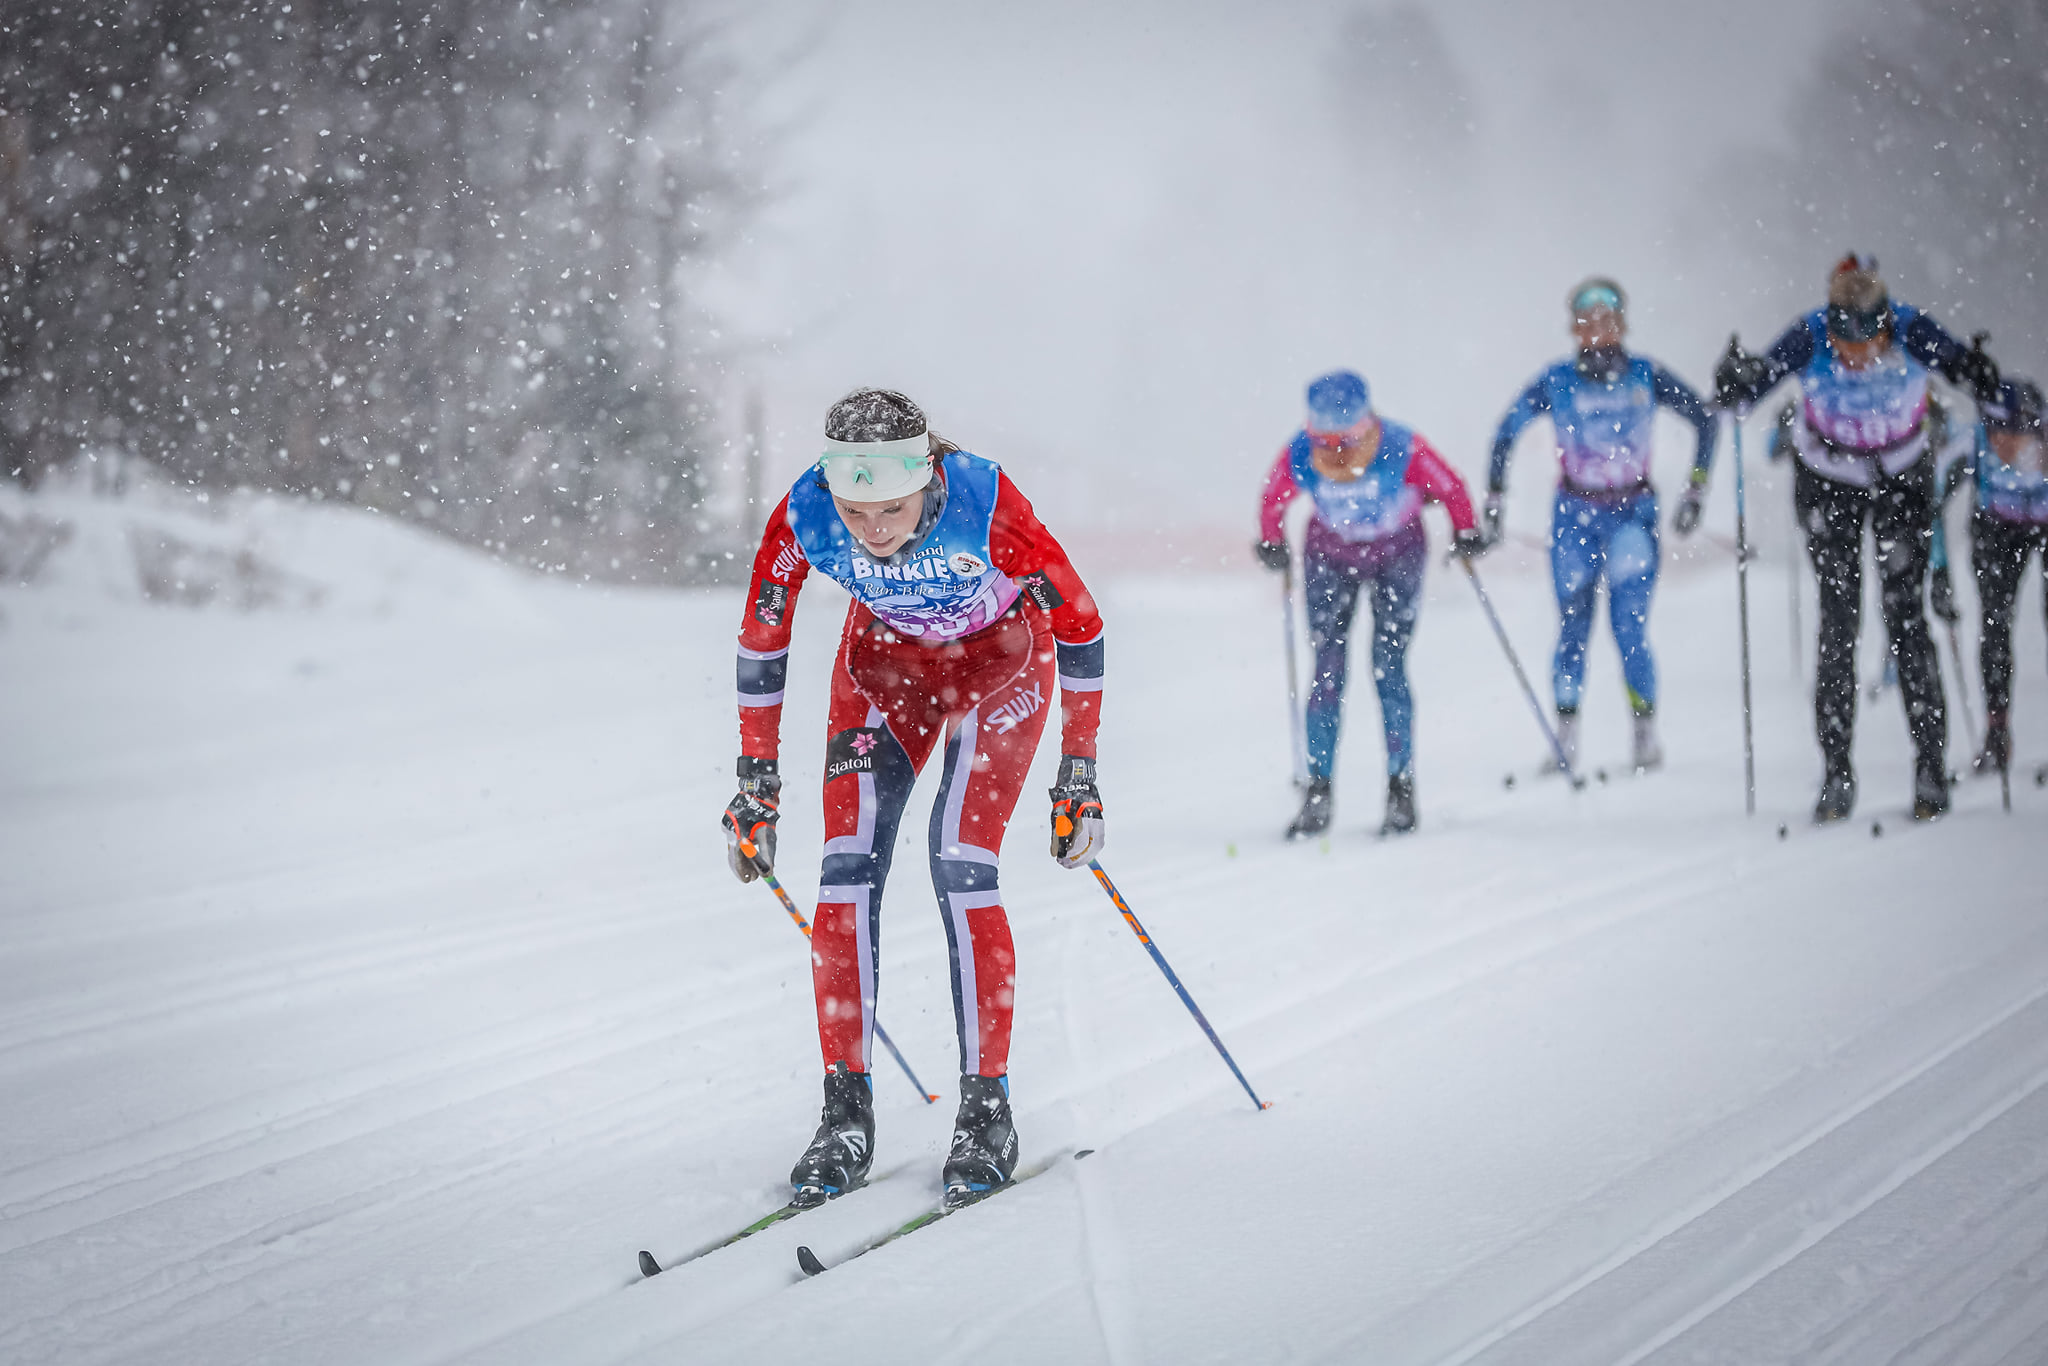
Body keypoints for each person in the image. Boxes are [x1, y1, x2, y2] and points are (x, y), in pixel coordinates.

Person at [723, 388, 1107, 1209]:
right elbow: (763, 637)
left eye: (891, 509)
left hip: (999, 666)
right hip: (882, 673)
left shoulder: (985, 500)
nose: (872, 530)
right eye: (854, 512)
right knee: (845, 872)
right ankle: (844, 1114)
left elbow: (1079, 623)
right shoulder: (804, 512)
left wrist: (1078, 772)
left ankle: (985, 1111)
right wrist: (757, 783)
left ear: (927, 478)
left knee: (961, 863)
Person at [1717, 253, 2000, 821]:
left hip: (1902, 480)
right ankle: (1837, 773)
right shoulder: (1810, 333)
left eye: (1868, 341)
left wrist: (1978, 372)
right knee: (1839, 622)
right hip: (1829, 483)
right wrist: (1738, 378)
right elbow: (1754, 387)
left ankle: (1929, 766)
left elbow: (1961, 369)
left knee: (1905, 620)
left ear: (1885, 324)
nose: (1856, 355)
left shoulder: (1911, 326)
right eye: (1845, 344)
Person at [1484, 277, 1718, 774]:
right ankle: (1566, 739)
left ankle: (1644, 734)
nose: (1597, 331)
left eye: (1607, 321)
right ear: (1573, 329)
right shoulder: (1557, 381)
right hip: (1574, 517)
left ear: (1622, 324)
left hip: (1633, 514)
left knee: (1628, 629)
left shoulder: (1646, 376)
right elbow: (1505, 431)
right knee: (1573, 629)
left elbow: (1705, 417)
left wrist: (1695, 490)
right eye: (1587, 323)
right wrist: (1495, 500)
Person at [1254, 369, 1481, 839]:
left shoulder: (1402, 446)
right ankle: (1318, 792)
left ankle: (1401, 790)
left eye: (1349, 437)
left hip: (1397, 555)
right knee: (1328, 672)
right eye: (1325, 439)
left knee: (1388, 666)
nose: (1338, 450)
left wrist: (1466, 529)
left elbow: (1452, 486)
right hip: (1328, 558)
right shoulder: (1301, 452)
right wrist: (1271, 540)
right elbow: (1273, 497)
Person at [1929, 377, 2047, 779]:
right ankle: (1997, 732)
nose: (2002, 443)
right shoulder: (1973, 441)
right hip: (1996, 529)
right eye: (1994, 430)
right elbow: (1933, 498)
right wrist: (1939, 571)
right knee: (1995, 628)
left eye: (2012, 433)